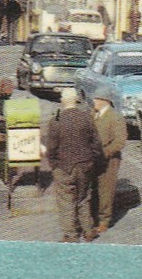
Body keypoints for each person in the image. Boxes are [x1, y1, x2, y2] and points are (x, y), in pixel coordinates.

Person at [41, 87, 102, 242]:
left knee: (66, 201)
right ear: (76, 100)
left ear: (62, 101)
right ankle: (88, 230)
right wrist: (92, 160)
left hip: (64, 166)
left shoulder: (56, 121)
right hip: (85, 164)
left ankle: (71, 234)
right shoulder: (87, 117)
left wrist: (54, 164)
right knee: (83, 197)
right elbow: (96, 144)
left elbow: (51, 148)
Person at [90, 93, 126, 233]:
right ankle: (93, 217)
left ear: (104, 100)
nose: (93, 101)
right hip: (93, 158)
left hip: (109, 160)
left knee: (106, 190)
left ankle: (104, 220)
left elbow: (120, 141)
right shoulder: (93, 114)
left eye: (95, 98)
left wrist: (104, 153)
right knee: (94, 188)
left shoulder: (115, 117)